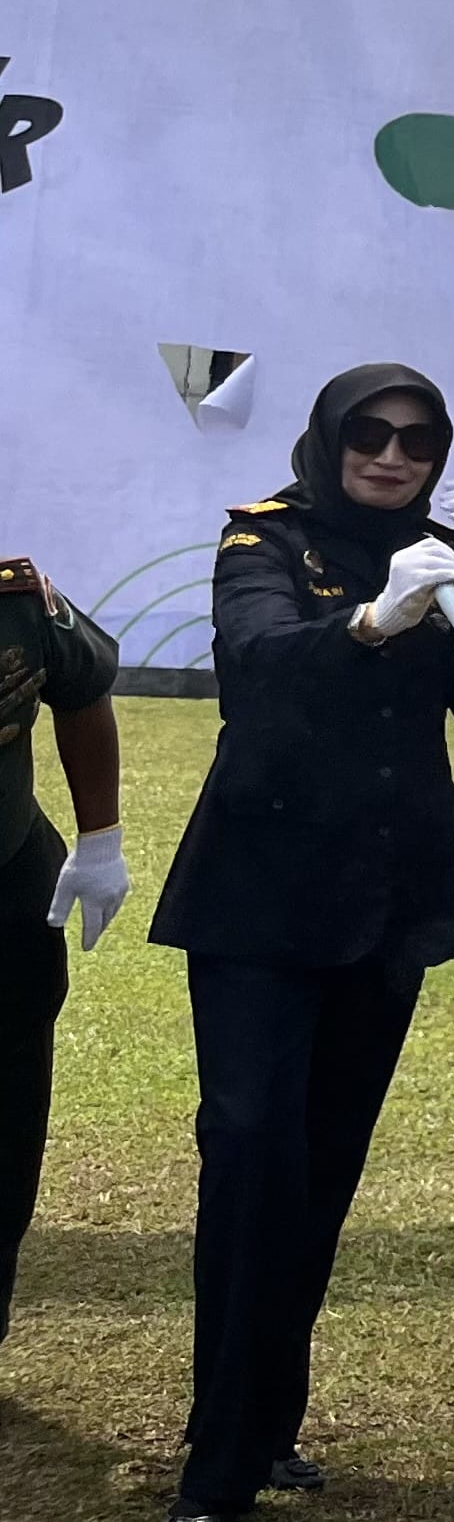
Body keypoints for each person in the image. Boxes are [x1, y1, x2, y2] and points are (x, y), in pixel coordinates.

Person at [153, 365, 454, 1521]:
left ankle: (270, 1425)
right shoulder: (264, 540)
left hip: (386, 905)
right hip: (261, 906)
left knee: (319, 1172)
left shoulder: (436, 547)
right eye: (369, 433)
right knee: (252, 1156)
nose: (393, 454)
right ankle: (215, 1464)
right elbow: (258, 672)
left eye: (418, 438)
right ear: (328, 438)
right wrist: (370, 620)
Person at [1, 551, 120, 1346]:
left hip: (6, 886)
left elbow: (82, 687)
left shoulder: (16, 602)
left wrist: (100, 837)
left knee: (7, 1128)